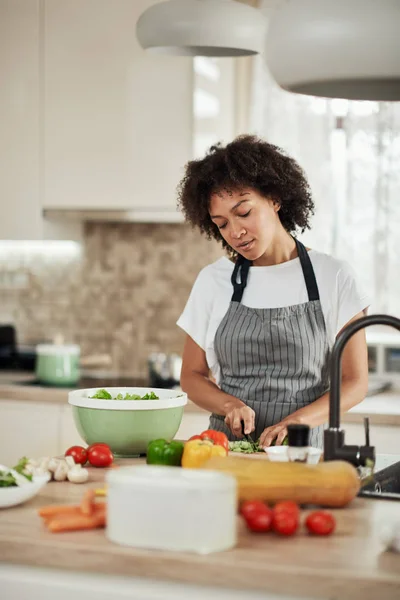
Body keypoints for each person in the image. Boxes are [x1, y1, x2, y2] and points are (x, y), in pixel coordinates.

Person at [176, 135, 369, 448]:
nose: (235, 232)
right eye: (222, 223)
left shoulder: (333, 275)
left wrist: (298, 421)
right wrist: (229, 405)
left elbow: (356, 382)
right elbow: (192, 376)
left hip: (302, 452)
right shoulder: (213, 280)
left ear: (275, 198)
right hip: (227, 451)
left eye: (244, 212)